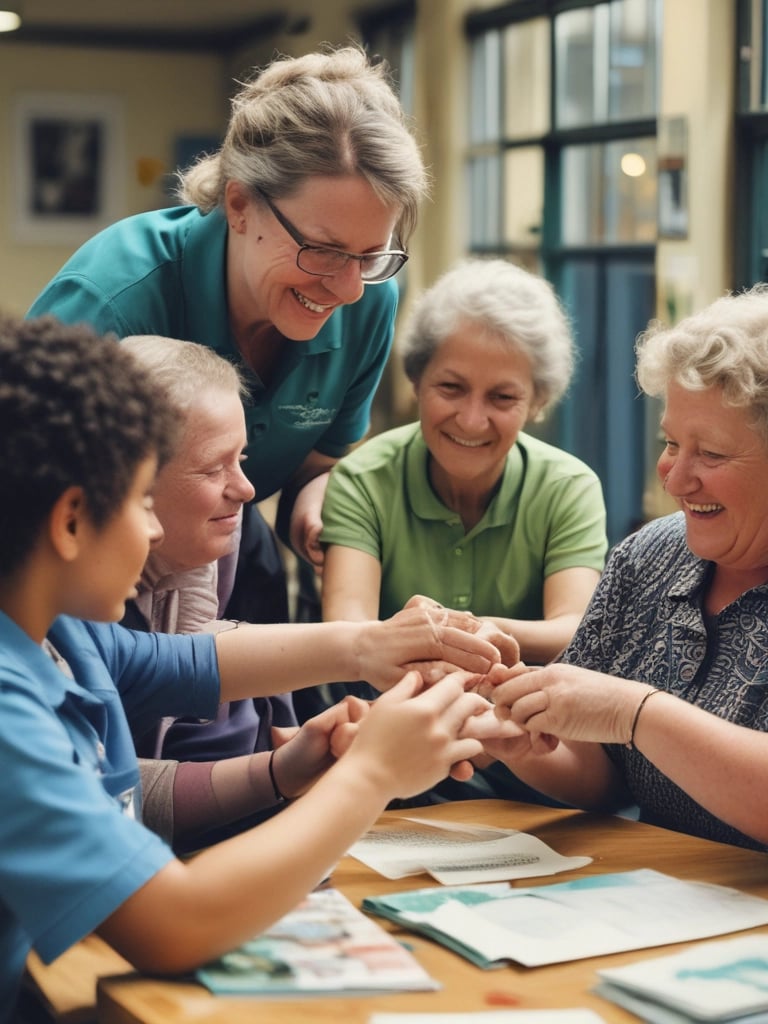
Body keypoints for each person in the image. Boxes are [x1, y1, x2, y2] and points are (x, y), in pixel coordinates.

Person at [0, 314, 517, 1021]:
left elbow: (193, 660)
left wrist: (369, 644)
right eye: (139, 501)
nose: (152, 529)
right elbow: (172, 925)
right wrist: (375, 773)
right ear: (68, 521)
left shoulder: (54, 631)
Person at [26, 43, 429, 582]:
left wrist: (317, 503)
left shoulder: (370, 299)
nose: (350, 288)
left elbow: (320, 461)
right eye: (324, 250)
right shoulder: (109, 301)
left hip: (224, 554)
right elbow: (29, 511)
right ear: (240, 206)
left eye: (370, 254)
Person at [481, 284, 768, 851]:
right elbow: (602, 775)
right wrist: (523, 739)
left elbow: (624, 719)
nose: (675, 477)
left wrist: (636, 712)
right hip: (664, 898)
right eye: (670, 443)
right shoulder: (647, 558)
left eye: (710, 454)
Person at [318, 258, 607, 803]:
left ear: (538, 401)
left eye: (502, 398)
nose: (472, 420)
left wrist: (442, 634)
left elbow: (574, 629)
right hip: (391, 761)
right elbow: (346, 628)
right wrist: (477, 645)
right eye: (451, 388)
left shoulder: (569, 486)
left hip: (536, 763)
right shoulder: (362, 478)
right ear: (415, 381)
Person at [119, 335, 341, 853]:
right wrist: (367, 779)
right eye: (213, 467)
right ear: (131, 481)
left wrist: (283, 767)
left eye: (241, 458)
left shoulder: (235, 541)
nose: (245, 490)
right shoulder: (62, 640)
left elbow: (116, 794)